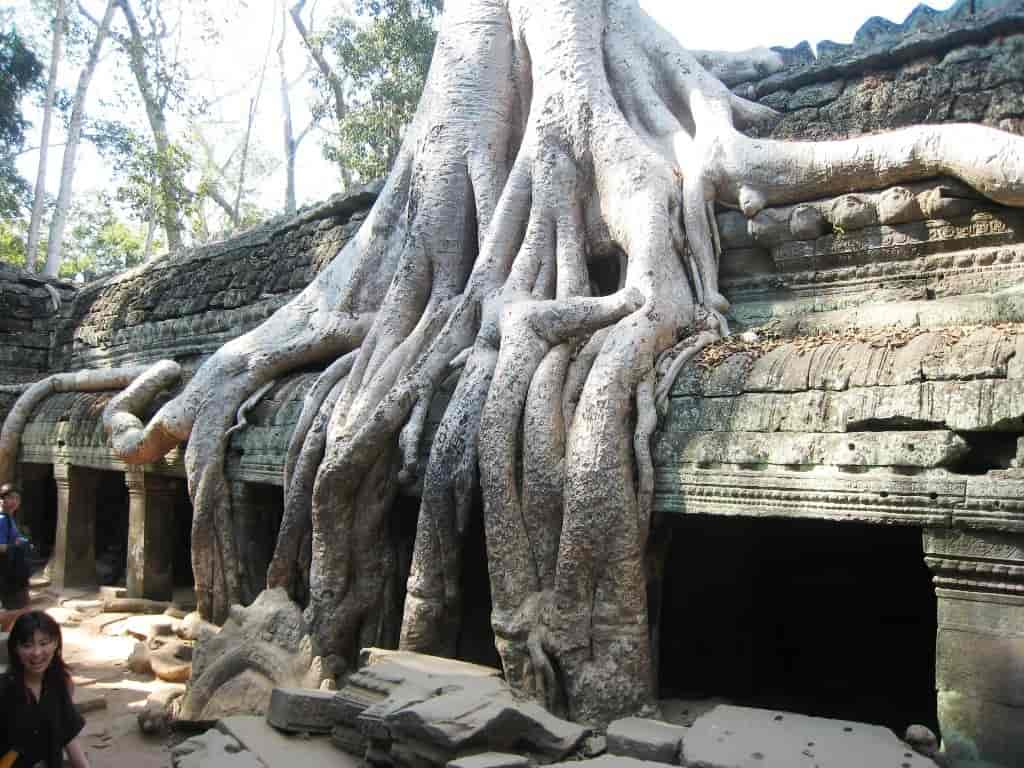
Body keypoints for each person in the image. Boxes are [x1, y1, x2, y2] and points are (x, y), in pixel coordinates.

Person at [0, 611, 89, 768]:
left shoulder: (60, 684)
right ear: (15, 648)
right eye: (27, 645)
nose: (36, 653)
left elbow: (67, 734)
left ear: (55, 643)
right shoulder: (4, 690)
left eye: (43, 643)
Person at [0, 485, 29, 610]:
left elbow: (14, 538)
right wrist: (20, 545)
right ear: (2, 500)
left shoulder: (9, 518)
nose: (14, 502)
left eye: (17, 499)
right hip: (5, 572)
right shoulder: (2, 520)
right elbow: (2, 548)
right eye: (10, 498)